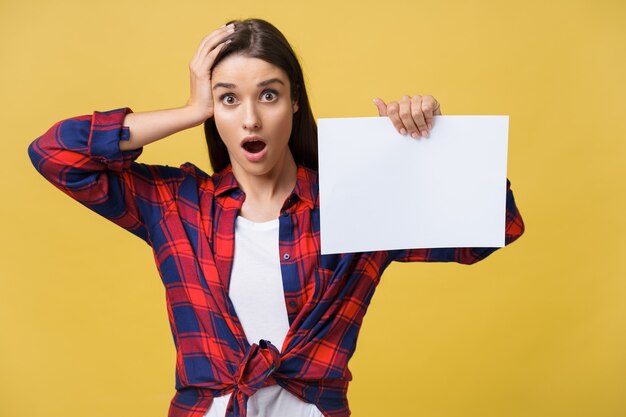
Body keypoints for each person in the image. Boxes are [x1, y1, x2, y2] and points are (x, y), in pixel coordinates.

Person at [28, 18, 524, 417]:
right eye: (228, 99)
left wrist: (428, 145)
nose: (250, 119)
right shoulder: (177, 206)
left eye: (268, 95)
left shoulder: (353, 203)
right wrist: (190, 109)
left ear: (294, 103)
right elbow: (56, 154)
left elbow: (492, 230)